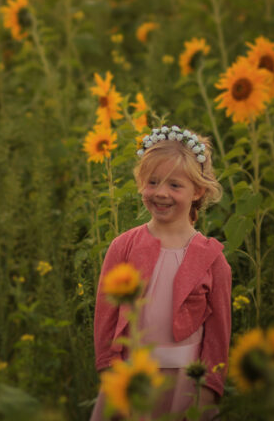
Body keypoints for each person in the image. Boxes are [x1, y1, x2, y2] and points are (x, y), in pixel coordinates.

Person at [90, 126, 232, 421]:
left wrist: (208, 389)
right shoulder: (123, 247)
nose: (161, 193)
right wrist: (109, 369)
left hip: (183, 381)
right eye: (152, 182)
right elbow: (106, 316)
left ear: (198, 191)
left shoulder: (212, 260)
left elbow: (219, 334)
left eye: (175, 185)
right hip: (131, 375)